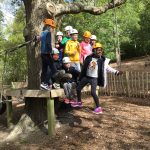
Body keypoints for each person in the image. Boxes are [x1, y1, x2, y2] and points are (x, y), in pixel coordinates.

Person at [71, 43, 123, 114]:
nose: (100, 51)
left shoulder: (102, 60)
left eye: (101, 50)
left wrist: (116, 72)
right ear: (94, 50)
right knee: (78, 88)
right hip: (86, 77)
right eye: (98, 50)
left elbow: (108, 68)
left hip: (94, 78)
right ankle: (79, 102)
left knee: (93, 92)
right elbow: (84, 66)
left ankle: (98, 108)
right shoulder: (89, 58)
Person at [40, 19, 57, 90]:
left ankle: (43, 83)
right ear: (49, 26)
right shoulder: (48, 33)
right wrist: (51, 51)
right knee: (54, 69)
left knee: (44, 69)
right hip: (47, 54)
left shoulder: (42, 33)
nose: (53, 29)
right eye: (52, 27)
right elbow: (48, 43)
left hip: (42, 53)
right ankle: (45, 83)